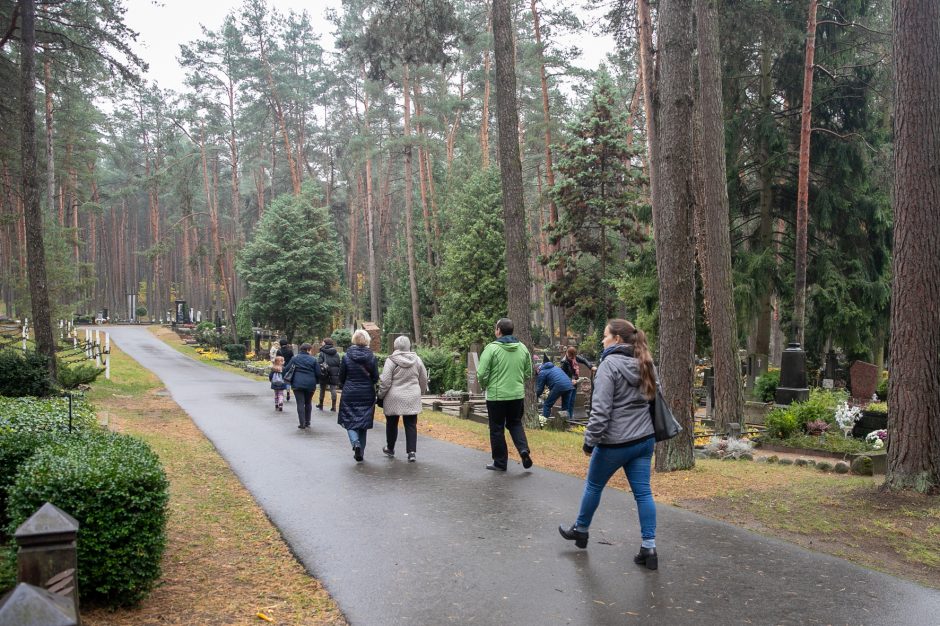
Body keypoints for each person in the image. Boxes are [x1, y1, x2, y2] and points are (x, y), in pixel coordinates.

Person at [558, 319, 660, 571]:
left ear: (616, 339)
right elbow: (655, 398)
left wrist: (589, 441)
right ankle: (649, 546)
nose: (602, 340)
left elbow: (601, 411)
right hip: (644, 439)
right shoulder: (645, 362)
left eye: (605, 336)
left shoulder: (609, 366)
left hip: (615, 442)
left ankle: (581, 530)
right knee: (644, 493)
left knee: (593, 485)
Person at [477, 317, 534, 471]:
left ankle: (500, 462)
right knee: (515, 423)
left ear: (498, 331)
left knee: (496, 428)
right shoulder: (522, 348)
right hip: (517, 395)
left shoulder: (492, 348)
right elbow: (529, 372)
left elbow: (481, 373)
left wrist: (485, 385)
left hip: (497, 396)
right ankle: (523, 450)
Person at [378, 336, 429, 462]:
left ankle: (390, 448)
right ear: (409, 346)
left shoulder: (391, 360)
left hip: (393, 396)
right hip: (411, 395)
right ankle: (411, 452)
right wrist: (420, 392)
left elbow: (385, 381)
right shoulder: (417, 360)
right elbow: (423, 378)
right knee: (411, 424)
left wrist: (380, 395)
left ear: (395, 346)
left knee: (391, 423)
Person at [338, 329, 379, 462]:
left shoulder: (346, 356)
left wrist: (345, 385)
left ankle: (355, 442)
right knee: (363, 423)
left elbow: (342, 376)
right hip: (367, 392)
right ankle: (360, 452)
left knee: (349, 421)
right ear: (367, 340)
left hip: (350, 392)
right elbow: (375, 377)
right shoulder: (371, 357)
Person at [286, 343, 320, 429]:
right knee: (308, 402)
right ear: (308, 350)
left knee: (300, 403)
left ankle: (302, 423)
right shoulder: (313, 360)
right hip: (310, 384)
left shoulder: (295, 358)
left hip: (297, 383)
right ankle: (308, 421)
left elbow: (287, 368)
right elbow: (318, 373)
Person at [559, 346, 595, 418]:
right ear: (567, 353)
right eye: (570, 357)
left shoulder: (575, 358)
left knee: (572, 402)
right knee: (567, 403)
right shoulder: (564, 362)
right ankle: (565, 420)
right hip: (567, 384)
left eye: (573, 357)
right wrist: (570, 380)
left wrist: (591, 367)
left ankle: (570, 418)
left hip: (574, 383)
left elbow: (584, 360)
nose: (572, 358)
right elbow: (562, 375)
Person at [316, 337, 341, 411]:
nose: (322, 343)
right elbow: (338, 363)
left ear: (325, 343)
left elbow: (319, 362)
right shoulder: (336, 353)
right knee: (333, 388)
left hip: (325, 372)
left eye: (323, 342)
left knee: (322, 388)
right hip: (334, 372)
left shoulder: (322, 352)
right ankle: (334, 406)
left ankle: (321, 404)